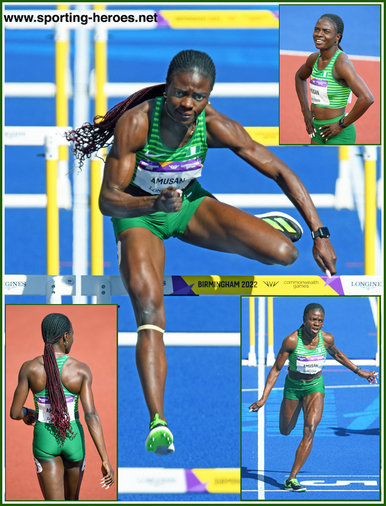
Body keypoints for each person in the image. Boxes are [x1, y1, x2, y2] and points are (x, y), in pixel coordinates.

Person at [67, 49, 337, 455]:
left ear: (209, 96)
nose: (187, 105)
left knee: (284, 254)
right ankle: (158, 420)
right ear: (168, 86)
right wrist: (151, 206)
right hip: (139, 216)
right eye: (180, 94)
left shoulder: (212, 124)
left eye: (198, 97)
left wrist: (319, 232)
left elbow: (279, 168)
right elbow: (108, 200)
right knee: (149, 307)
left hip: (189, 208)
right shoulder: (137, 124)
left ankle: (263, 228)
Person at [249, 303, 378, 492]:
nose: (316, 323)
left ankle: (292, 478)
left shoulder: (327, 339)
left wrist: (359, 371)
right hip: (293, 387)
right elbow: (276, 369)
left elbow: (338, 354)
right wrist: (263, 398)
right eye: (313, 319)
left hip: (315, 386)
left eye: (320, 320)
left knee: (309, 430)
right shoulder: (291, 341)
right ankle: (290, 416)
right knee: (285, 430)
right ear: (304, 319)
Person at [10, 313, 114, 501]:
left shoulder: (29, 368)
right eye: (72, 334)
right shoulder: (81, 370)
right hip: (74, 440)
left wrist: (27, 413)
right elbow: (91, 416)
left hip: (45, 441)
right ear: (66, 336)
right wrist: (105, 459)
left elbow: (15, 413)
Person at [295, 13, 374, 144]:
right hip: (317, 129)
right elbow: (299, 76)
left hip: (339, 133)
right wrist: (305, 112)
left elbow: (367, 98)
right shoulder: (314, 59)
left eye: (326, 31)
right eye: (317, 29)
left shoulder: (341, 64)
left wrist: (341, 125)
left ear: (337, 37)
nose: (319, 34)